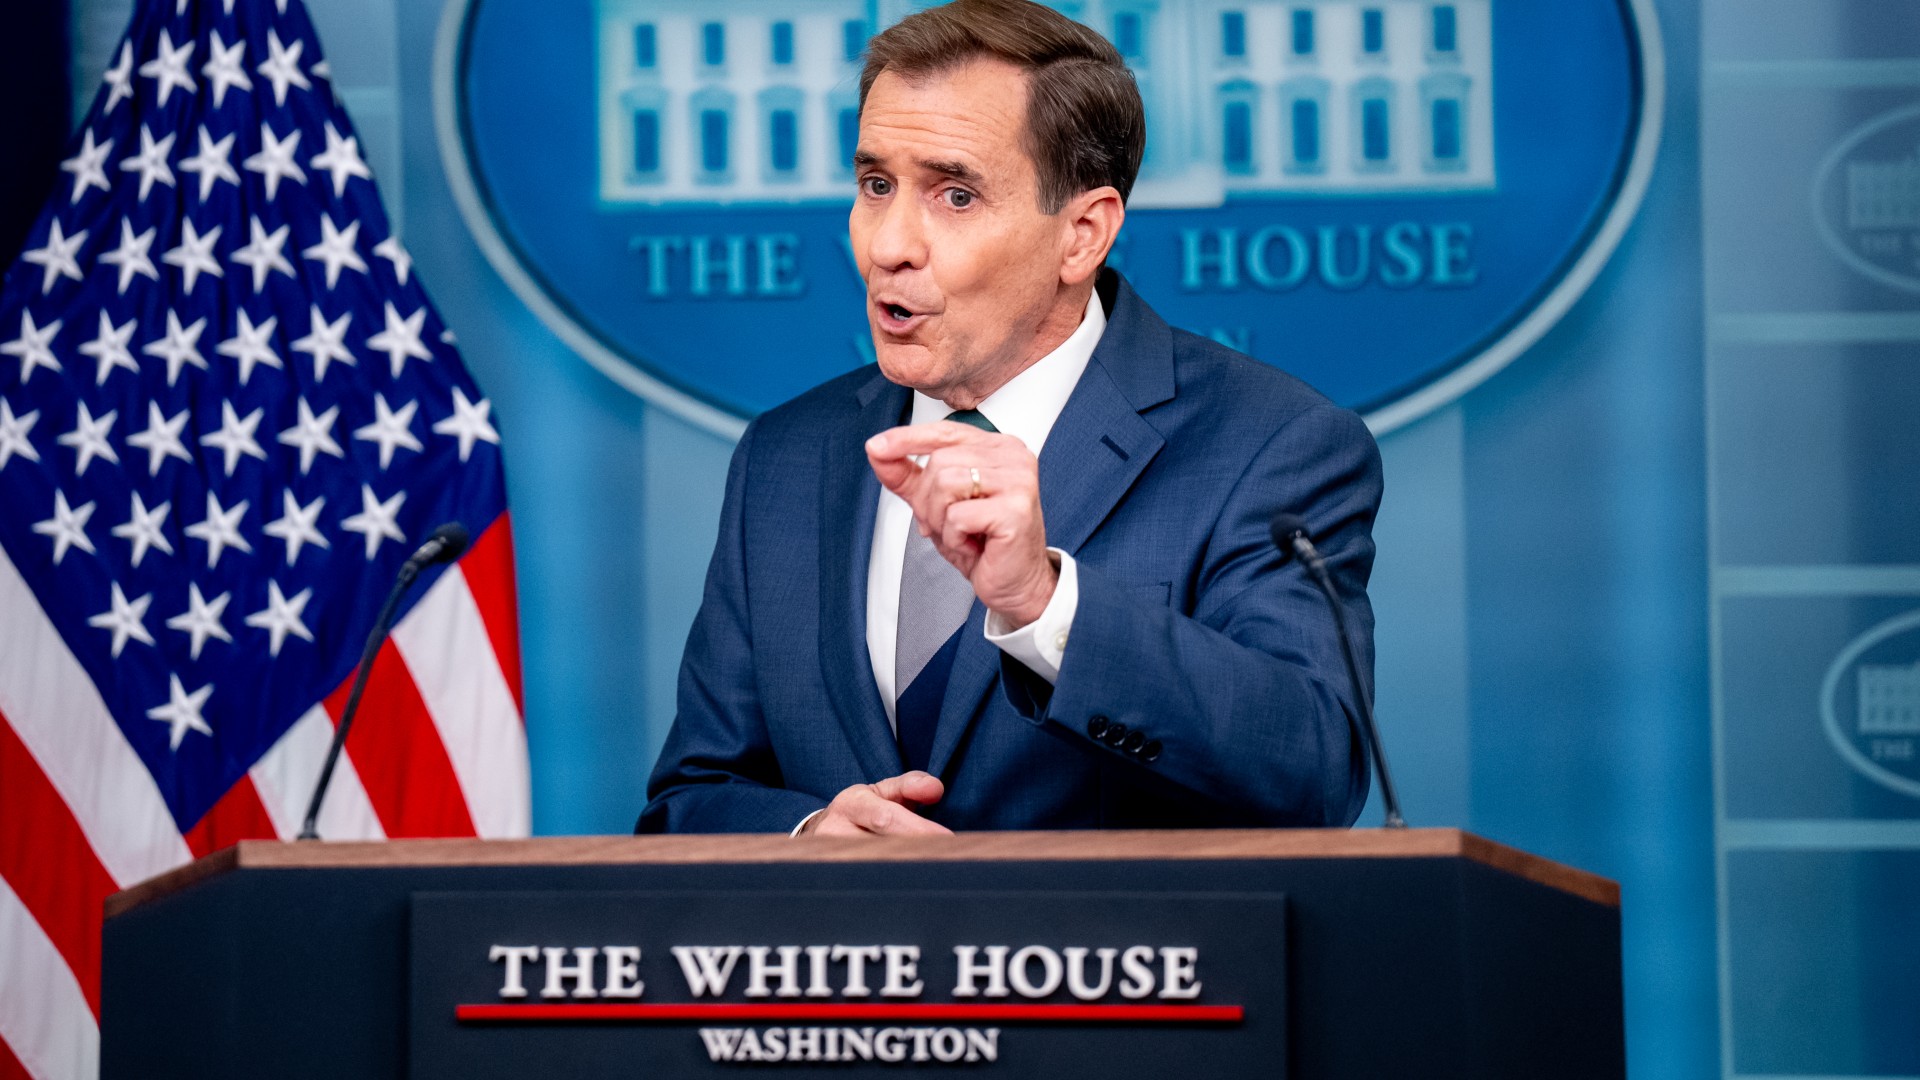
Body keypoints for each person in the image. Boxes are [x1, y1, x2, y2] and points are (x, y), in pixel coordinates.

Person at [638, 0, 1382, 836]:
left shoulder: (1271, 445)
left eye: (954, 195)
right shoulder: (786, 455)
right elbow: (691, 799)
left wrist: (1044, 603)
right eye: (876, 184)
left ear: (1082, 235)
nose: (889, 244)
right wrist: (805, 838)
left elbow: (1313, 766)